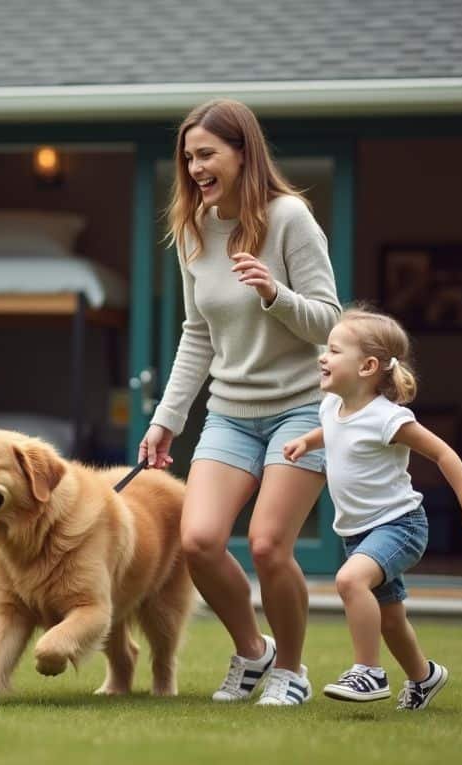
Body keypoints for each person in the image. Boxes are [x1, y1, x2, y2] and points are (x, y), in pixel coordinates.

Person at [138, 99, 342, 706]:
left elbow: (330, 323)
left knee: (267, 545)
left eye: (208, 154)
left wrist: (275, 294)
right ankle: (255, 653)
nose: (196, 167)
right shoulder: (192, 229)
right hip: (230, 412)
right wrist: (166, 419)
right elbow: (196, 333)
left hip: (301, 408)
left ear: (243, 153)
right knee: (197, 541)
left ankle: (294, 671)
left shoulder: (290, 219)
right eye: (189, 157)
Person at [283, 307, 462, 710]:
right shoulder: (332, 406)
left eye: (333, 350)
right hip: (358, 532)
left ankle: (368, 671)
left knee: (349, 582)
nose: (322, 358)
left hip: (400, 526)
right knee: (391, 619)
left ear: (368, 366)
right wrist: (307, 444)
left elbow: (443, 453)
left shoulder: (388, 418)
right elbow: (331, 430)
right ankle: (424, 676)